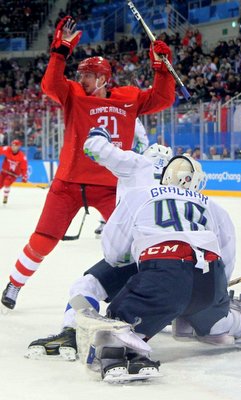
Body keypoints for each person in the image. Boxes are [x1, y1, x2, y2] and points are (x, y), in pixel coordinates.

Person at [26, 130, 241, 380]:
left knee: (99, 303)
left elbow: (114, 251)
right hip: (207, 273)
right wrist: (219, 288)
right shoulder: (211, 204)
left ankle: (78, 332)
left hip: (155, 266)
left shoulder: (139, 183)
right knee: (214, 324)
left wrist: (98, 135)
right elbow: (226, 254)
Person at [1, 16, 175, 310]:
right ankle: (15, 283)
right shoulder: (74, 94)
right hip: (68, 183)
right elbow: (50, 84)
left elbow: (162, 98)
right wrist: (59, 51)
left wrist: (161, 67)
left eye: (87, 75)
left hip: (111, 186)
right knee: (43, 239)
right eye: (80, 74)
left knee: (133, 243)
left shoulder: (129, 98)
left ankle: (145, 293)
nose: (80, 79)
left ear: (104, 79)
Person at [94, 117, 149, 237]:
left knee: (122, 193)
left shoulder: (132, 116)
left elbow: (143, 141)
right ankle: (105, 222)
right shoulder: (98, 109)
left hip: (125, 164)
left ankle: (125, 225)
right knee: (106, 192)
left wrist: (131, 154)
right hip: (107, 161)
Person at [0, 139, 28, 204]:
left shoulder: (22, 156)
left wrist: (24, 176)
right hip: (4, 171)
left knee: (7, 182)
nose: (13, 147)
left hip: (13, 174)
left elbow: (24, 168)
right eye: (12, 145)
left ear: (18, 147)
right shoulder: (7, 149)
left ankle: (5, 197)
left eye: (15, 145)